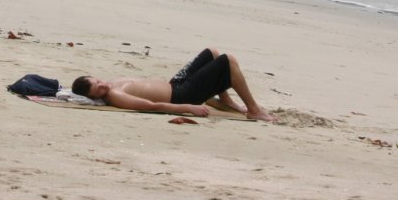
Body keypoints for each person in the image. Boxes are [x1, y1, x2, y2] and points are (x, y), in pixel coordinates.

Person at [71, 47, 276, 122]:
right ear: (94, 97)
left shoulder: (111, 84)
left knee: (212, 52)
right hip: (182, 95)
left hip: (175, 84)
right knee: (227, 60)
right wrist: (188, 108)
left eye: (97, 81)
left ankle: (226, 101)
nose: (102, 85)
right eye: (98, 89)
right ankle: (253, 109)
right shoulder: (115, 96)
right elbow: (151, 107)